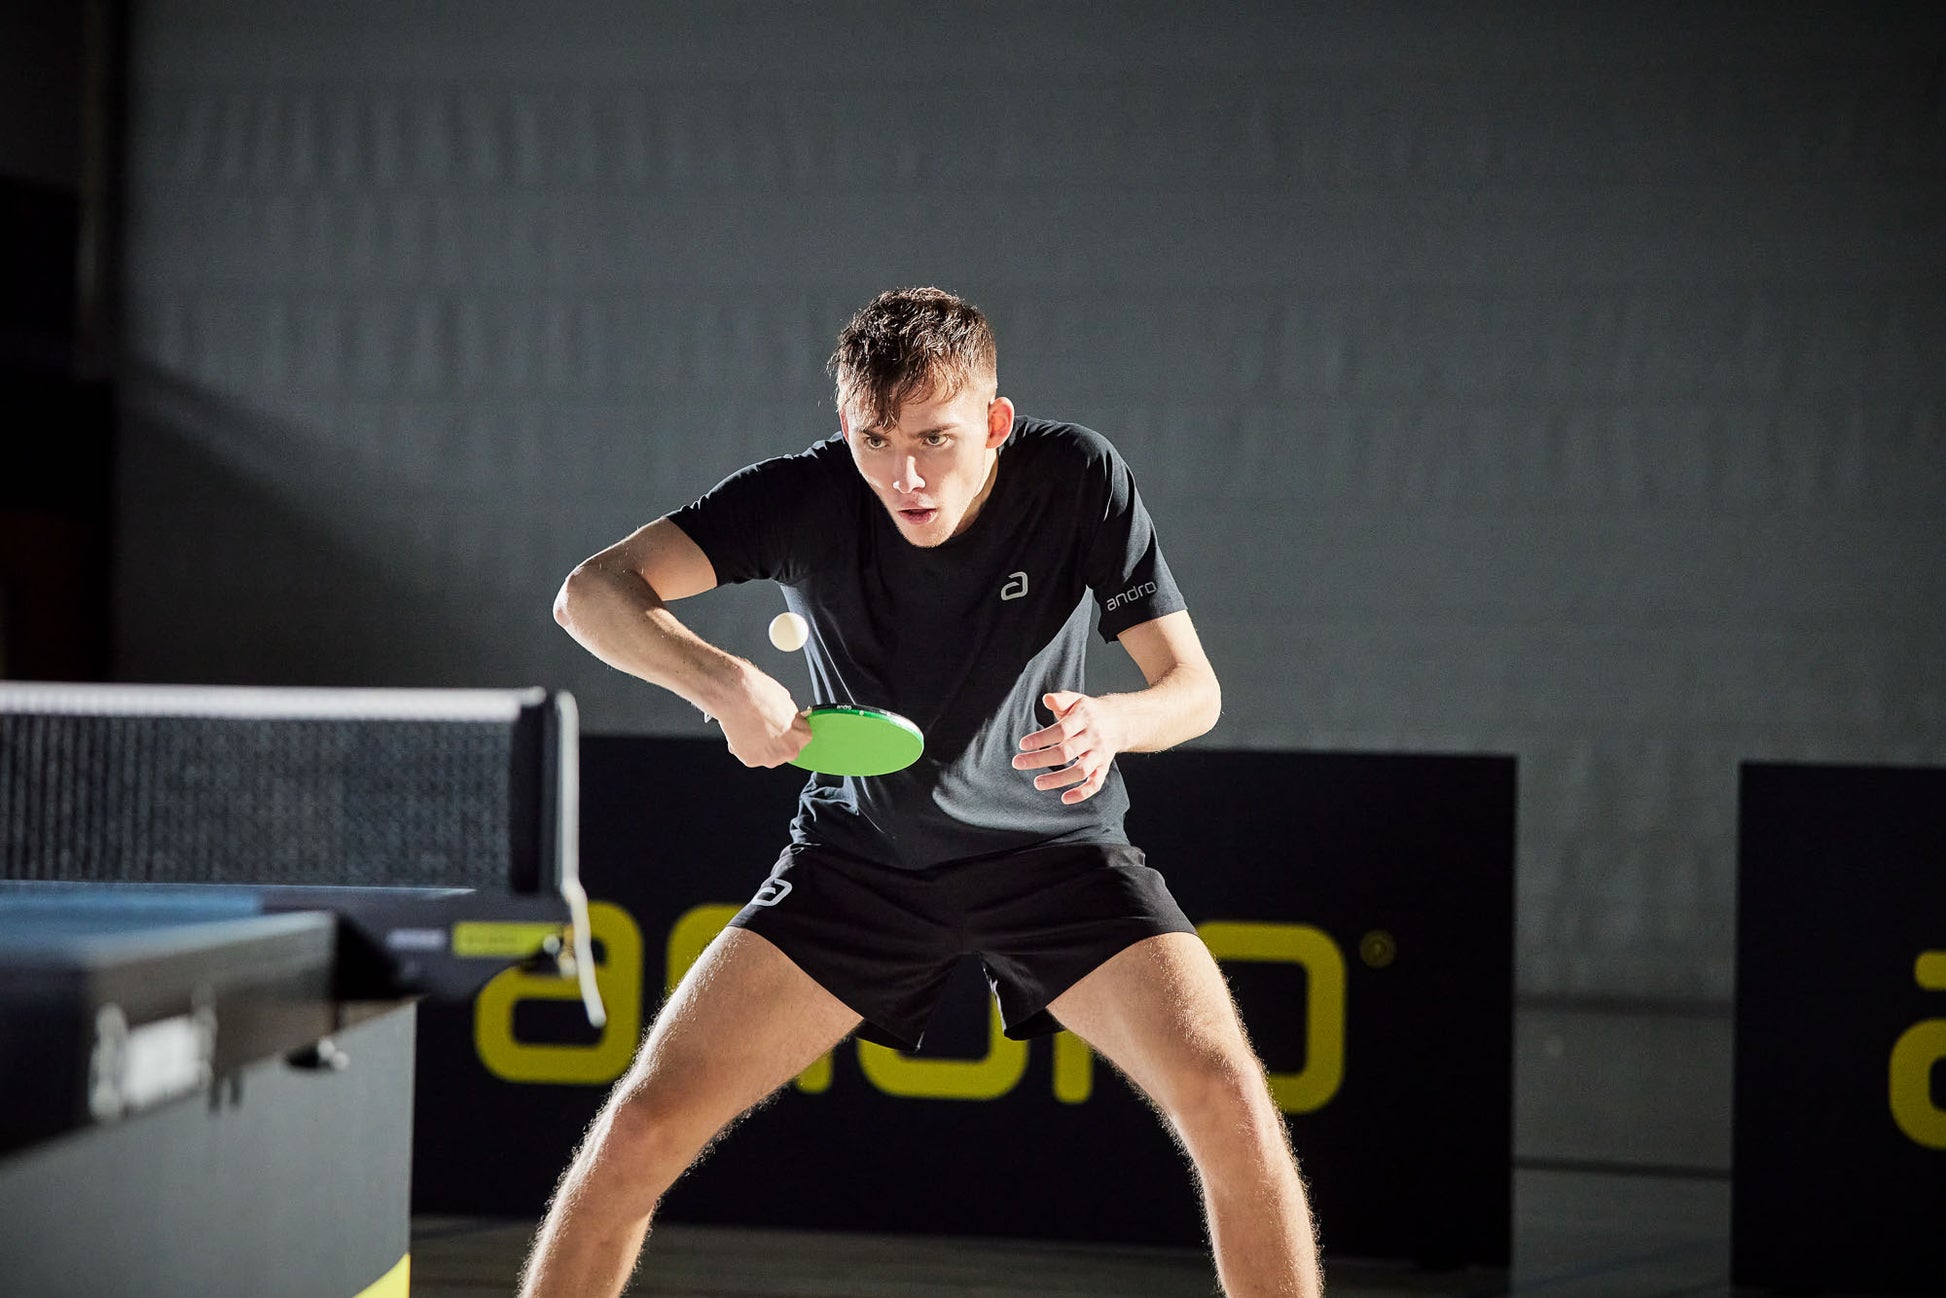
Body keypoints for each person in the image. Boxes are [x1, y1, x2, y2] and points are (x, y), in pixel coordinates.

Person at [525, 287, 1323, 1298]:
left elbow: (1193, 691)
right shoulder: (805, 496)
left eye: (935, 439)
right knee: (642, 1123)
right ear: (845, 428)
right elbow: (590, 592)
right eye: (875, 440)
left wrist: (1114, 722)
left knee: (1229, 1098)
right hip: (858, 864)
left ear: (994, 422)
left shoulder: (1076, 477)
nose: (904, 475)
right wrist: (721, 683)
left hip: (1058, 860)